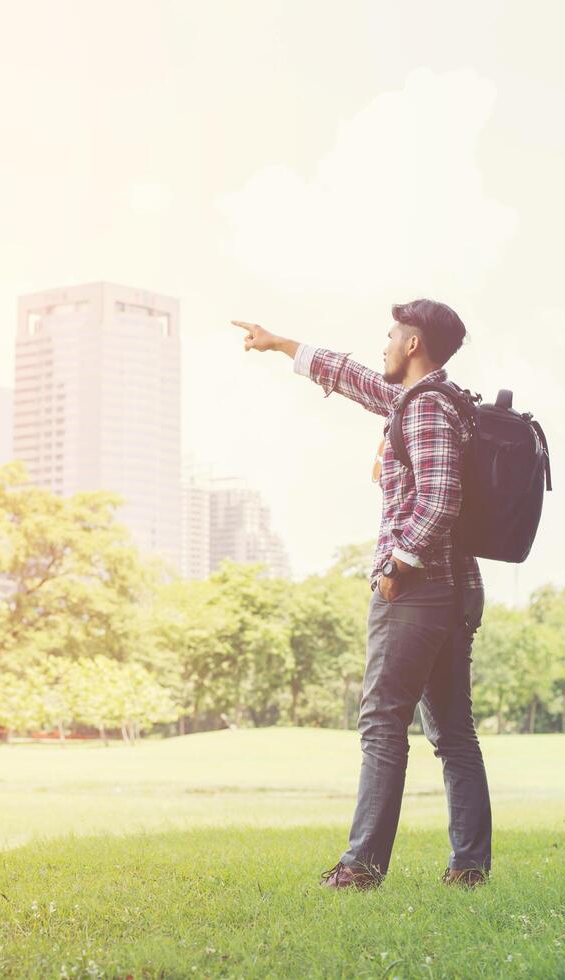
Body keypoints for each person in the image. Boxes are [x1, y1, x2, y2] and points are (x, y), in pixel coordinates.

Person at [232, 299, 492, 891]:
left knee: (382, 721)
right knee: (453, 731)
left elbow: (441, 496)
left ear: (413, 344)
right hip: (455, 590)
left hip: (420, 590)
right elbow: (353, 377)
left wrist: (396, 567)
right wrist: (280, 344)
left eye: (391, 335)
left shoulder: (425, 409)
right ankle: (469, 868)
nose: (383, 344)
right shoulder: (433, 399)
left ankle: (361, 868)